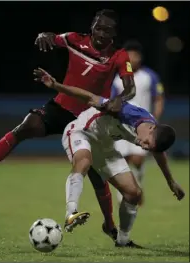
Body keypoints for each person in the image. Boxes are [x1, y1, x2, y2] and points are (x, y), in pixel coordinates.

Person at [0, 9, 136, 242]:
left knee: (96, 175)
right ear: (92, 26)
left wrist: (119, 99)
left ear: (114, 34)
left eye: (108, 30)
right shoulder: (75, 40)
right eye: (99, 27)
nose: (102, 33)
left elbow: (130, 88)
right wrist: (44, 34)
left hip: (90, 119)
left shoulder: (119, 56)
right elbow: (54, 37)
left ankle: (110, 226)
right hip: (60, 108)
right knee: (24, 127)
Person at [33, 67, 185, 247]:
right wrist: (56, 85)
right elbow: (89, 97)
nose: (144, 146)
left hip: (105, 148)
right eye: (146, 143)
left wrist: (171, 182)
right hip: (81, 133)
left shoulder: (152, 135)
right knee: (84, 161)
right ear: (151, 129)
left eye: (148, 147)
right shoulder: (122, 111)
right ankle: (71, 212)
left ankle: (122, 239)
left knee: (134, 194)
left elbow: (158, 153)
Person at [111, 40, 165, 203]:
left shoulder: (150, 76)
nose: (132, 58)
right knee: (122, 160)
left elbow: (159, 98)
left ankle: (137, 186)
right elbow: (111, 101)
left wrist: (155, 120)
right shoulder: (117, 78)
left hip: (143, 126)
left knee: (137, 159)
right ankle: (124, 196)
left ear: (140, 57)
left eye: (135, 54)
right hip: (121, 125)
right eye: (129, 55)